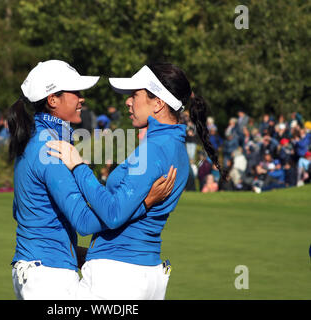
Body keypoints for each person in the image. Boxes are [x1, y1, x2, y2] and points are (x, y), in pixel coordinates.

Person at [47, 62, 226, 299]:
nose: (128, 102)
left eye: (135, 95)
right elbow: (122, 212)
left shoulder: (153, 150)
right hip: (144, 272)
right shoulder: (174, 148)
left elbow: (112, 213)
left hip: (118, 277)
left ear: (158, 102)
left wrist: (78, 166)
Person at [8, 60, 176, 300]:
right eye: (74, 92)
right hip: (49, 277)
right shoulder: (51, 148)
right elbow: (85, 222)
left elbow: (22, 211)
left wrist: (68, 249)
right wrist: (145, 203)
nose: (81, 98)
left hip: (36, 270)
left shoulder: (35, 138)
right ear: (52, 100)